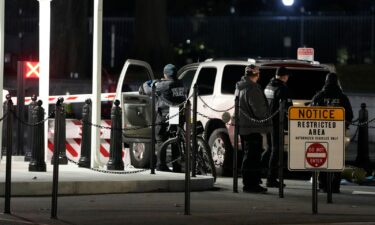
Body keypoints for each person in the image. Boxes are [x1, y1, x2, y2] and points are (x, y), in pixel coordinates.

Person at [311, 72, 353, 193]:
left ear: (326, 81)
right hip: (337, 133)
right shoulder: (342, 97)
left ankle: (323, 185)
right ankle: (335, 186)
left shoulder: (319, 96)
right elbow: (350, 115)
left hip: (322, 132)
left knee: (322, 158)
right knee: (337, 160)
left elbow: (311, 113)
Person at [236, 64, 272, 193]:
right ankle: (251, 184)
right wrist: (268, 115)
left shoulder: (240, 87)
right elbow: (259, 111)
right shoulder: (252, 89)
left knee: (248, 155)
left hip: (244, 126)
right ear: (256, 75)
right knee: (253, 156)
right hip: (253, 127)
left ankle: (249, 182)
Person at [264, 66, 293, 188]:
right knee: (276, 150)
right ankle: (271, 179)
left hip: (267, 122)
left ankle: (258, 172)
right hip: (277, 122)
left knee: (270, 149)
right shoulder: (282, 88)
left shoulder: (268, 86)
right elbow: (288, 107)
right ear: (284, 76)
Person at [154, 64, 186, 172]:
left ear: (165, 74)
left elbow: (146, 88)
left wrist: (157, 81)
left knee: (160, 139)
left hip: (164, 115)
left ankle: (161, 165)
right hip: (177, 113)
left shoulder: (163, 85)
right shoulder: (180, 83)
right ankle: (177, 165)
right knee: (175, 139)